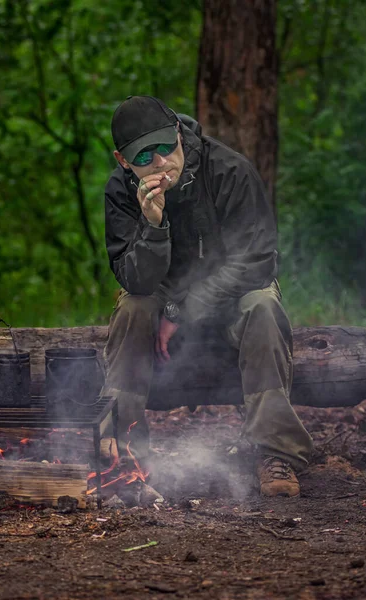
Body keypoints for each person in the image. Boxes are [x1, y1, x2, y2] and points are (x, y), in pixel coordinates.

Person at [103, 95, 313, 498]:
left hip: (231, 297)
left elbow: (257, 262)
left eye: (165, 146)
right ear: (123, 160)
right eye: (144, 156)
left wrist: (182, 309)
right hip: (162, 304)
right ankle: (124, 451)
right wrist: (153, 225)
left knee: (263, 304)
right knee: (132, 307)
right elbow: (134, 279)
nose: (160, 161)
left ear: (179, 134)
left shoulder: (229, 171)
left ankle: (276, 452)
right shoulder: (119, 193)